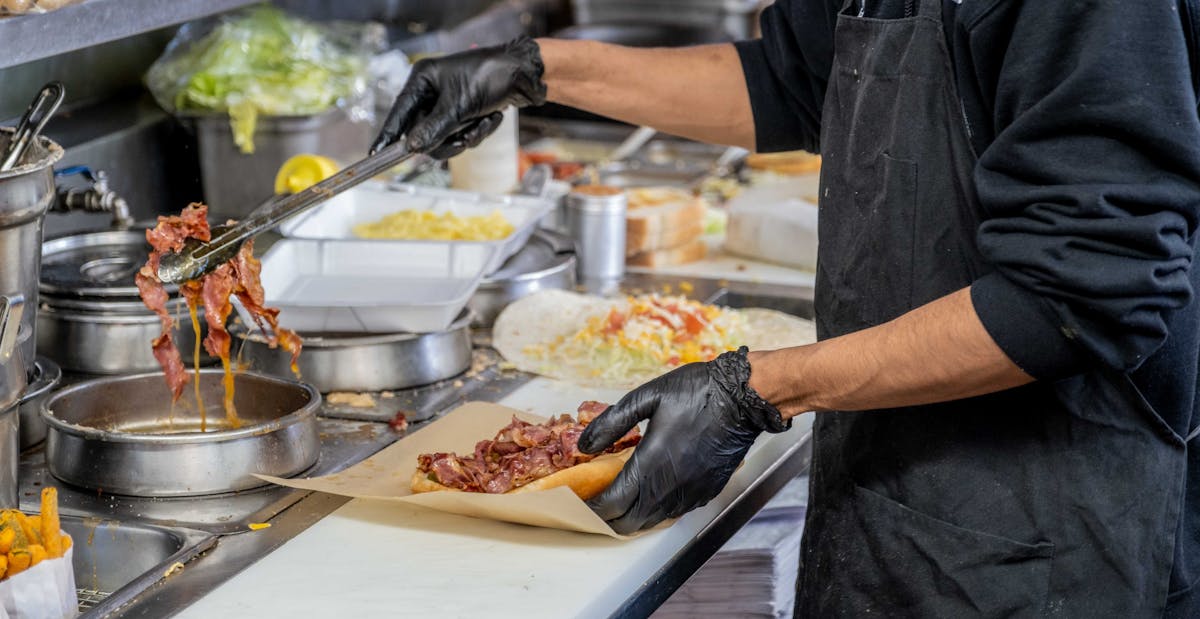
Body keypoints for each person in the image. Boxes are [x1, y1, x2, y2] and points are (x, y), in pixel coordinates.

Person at [372, 1, 1200, 616]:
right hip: (895, 498)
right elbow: (794, 80)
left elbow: (1082, 285)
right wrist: (534, 70)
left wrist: (759, 386)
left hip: (1053, 535)